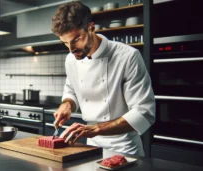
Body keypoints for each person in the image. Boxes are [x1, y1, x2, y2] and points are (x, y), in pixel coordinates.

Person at [51, 1, 155, 156]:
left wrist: (96, 128)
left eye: (76, 39)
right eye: (65, 43)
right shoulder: (71, 59)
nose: (71, 50)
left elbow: (144, 112)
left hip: (124, 148)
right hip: (90, 147)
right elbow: (71, 88)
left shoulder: (127, 56)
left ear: (91, 28)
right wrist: (67, 104)